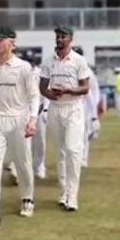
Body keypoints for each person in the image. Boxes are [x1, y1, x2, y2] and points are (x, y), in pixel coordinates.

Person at [0, 27, 39, 232]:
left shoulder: (23, 68)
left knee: (23, 164)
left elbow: (33, 96)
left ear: (12, 43)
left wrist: (32, 119)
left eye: (2, 40)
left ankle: (27, 198)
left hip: (18, 120)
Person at [39, 25, 90, 211]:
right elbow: (42, 86)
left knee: (73, 150)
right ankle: (63, 194)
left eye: (63, 37)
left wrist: (68, 90)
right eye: (58, 36)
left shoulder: (78, 61)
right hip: (55, 108)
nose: (60, 40)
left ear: (71, 39)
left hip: (73, 108)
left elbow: (85, 87)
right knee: (60, 152)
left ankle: (72, 196)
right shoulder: (48, 61)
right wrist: (51, 95)